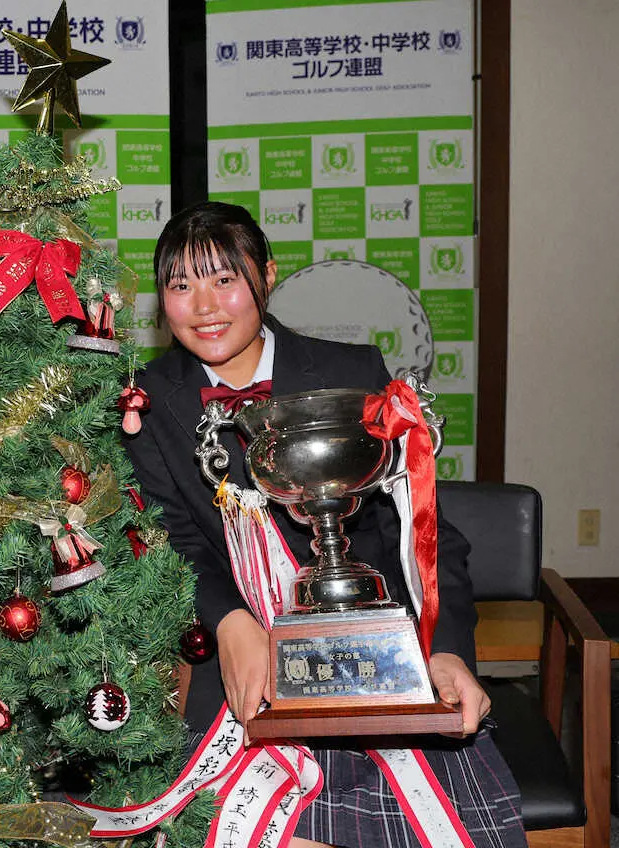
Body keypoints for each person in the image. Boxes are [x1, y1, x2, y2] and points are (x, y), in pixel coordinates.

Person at [123, 201, 525, 848]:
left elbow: (424, 530)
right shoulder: (145, 400)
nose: (204, 305)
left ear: (268, 276)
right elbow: (176, 541)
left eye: (224, 279)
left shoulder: (350, 372)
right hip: (237, 644)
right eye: (180, 285)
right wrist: (229, 623)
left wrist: (447, 649)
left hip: (374, 647)